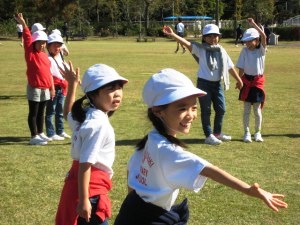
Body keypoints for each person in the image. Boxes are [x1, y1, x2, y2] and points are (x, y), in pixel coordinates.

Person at [114, 69, 288, 225]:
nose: (190, 115)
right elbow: (209, 169)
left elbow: (131, 170)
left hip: (133, 210)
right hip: (147, 218)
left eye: (194, 107)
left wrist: (132, 200)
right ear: (158, 111)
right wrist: (247, 190)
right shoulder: (167, 150)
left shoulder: (152, 138)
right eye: (182, 108)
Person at [55, 63, 128, 225]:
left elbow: (68, 114)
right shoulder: (98, 123)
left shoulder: (87, 114)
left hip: (78, 185)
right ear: (93, 95)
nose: (117, 93)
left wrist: (72, 85)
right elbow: (85, 164)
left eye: (119, 87)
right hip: (90, 190)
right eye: (110, 88)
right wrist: (84, 199)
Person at [163, 24, 243, 145]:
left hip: (217, 84)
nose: (213, 38)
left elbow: (230, 67)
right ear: (204, 38)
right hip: (204, 83)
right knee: (206, 110)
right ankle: (208, 135)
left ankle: (217, 133)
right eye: (209, 36)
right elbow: (187, 44)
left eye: (215, 36)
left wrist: (239, 80)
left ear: (219, 37)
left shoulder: (221, 50)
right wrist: (173, 34)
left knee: (221, 109)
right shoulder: (200, 49)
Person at [15, 13, 54, 145]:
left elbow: (48, 73)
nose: (42, 45)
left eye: (44, 43)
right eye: (40, 43)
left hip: (45, 88)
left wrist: (51, 87)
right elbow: (27, 39)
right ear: (34, 42)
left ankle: (40, 133)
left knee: (41, 112)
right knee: (34, 112)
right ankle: (33, 136)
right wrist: (24, 24)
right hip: (35, 87)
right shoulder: (31, 54)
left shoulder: (44, 55)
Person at [236, 18, 267, 143]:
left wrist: (253, 24)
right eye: (246, 41)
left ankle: (257, 133)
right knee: (247, 110)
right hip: (246, 82)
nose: (248, 44)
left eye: (250, 41)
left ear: (256, 40)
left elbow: (264, 36)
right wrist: (239, 81)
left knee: (257, 110)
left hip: (257, 82)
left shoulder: (261, 50)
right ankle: (247, 133)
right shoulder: (244, 51)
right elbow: (241, 67)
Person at [45, 32, 70, 141]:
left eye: (59, 45)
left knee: (60, 111)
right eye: (54, 45)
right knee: (51, 111)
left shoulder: (60, 56)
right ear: (48, 46)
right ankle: (51, 133)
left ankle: (60, 131)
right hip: (54, 87)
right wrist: (52, 89)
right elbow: (49, 75)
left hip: (62, 87)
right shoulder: (48, 59)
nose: (57, 48)